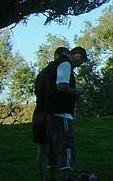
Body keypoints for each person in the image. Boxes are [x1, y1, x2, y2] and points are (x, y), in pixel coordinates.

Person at [44, 46, 87, 181]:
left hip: (50, 114)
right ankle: (65, 177)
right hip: (62, 114)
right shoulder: (65, 64)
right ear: (78, 56)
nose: (79, 65)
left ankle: (53, 178)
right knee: (66, 147)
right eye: (81, 62)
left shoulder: (52, 66)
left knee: (53, 149)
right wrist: (76, 92)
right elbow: (61, 86)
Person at [33, 46, 71, 181]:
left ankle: (41, 178)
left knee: (42, 148)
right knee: (55, 148)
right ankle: (55, 177)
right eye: (65, 56)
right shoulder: (56, 71)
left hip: (38, 112)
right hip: (49, 112)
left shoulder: (43, 73)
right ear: (59, 56)